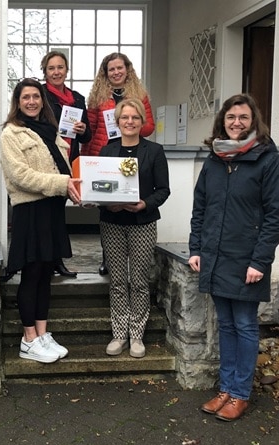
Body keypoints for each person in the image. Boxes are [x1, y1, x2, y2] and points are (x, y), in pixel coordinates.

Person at [188, 93, 279, 422]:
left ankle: (240, 394)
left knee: (244, 325)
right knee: (226, 324)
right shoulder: (214, 160)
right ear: (223, 121)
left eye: (243, 117)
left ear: (253, 121)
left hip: (247, 261)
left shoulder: (268, 161)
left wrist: (260, 261)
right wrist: (196, 248)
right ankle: (226, 389)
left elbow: (276, 217)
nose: (236, 123)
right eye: (231, 117)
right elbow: (201, 209)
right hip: (216, 257)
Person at [0, 78, 81, 364]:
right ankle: (29, 339)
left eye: (36, 96)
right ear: (18, 102)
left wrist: (75, 188)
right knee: (31, 274)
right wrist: (62, 184)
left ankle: (42, 334)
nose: (32, 101)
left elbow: (63, 166)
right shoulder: (11, 133)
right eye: (26, 97)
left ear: (42, 100)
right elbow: (19, 175)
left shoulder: (50, 129)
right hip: (30, 211)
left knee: (46, 274)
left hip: (52, 210)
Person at [98, 99, 170, 358]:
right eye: (125, 117)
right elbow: (100, 186)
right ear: (117, 122)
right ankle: (119, 335)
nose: (130, 122)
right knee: (118, 281)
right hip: (112, 223)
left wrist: (144, 204)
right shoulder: (107, 151)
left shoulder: (155, 151)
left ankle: (137, 335)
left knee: (139, 281)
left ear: (142, 122)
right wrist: (105, 203)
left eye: (135, 117)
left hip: (143, 224)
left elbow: (163, 190)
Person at [83, 52, 155, 275]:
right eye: (111, 69)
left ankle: (134, 259)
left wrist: (129, 124)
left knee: (129, 200)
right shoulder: (97, 97)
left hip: (132, 153)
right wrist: (87, 160)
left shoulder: (139, 95)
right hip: (105, 154)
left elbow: (149, 127)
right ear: (105, 73)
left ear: (127, 69)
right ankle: (109, 258)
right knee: (108, 206)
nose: (116, 72)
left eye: (119, 68)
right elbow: (90, 130)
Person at [41, 50, 92, 278]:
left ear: (67, 70)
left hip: (69, 161)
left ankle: (57, 261)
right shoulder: (40, 95)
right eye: (51, 68)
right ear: (45, 72)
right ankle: (47, 261)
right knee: (48, 213)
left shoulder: (77, 98)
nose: (56, 72)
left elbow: (87, 136)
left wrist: (82, 129)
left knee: (58, 214)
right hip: (48, 161)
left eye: (60, 67)